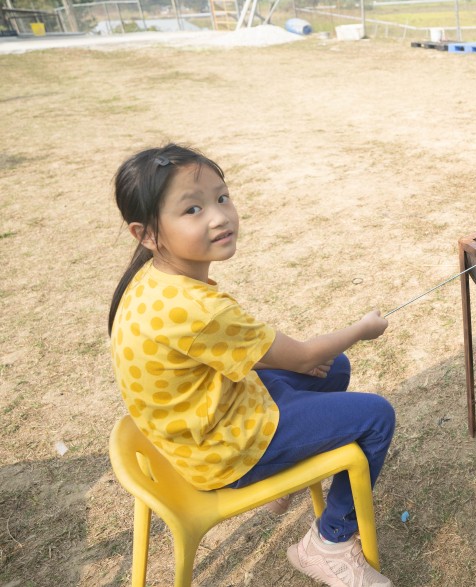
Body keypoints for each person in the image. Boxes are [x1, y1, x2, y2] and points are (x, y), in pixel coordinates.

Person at [107, 143, 395, 587]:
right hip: (224, 451)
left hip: (199, 425)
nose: (219, 217)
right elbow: (300, 356)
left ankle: (282, 489)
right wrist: (361, 328)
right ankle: (330, 542)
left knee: (333, 367)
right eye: (193, 209)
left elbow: (293, 359)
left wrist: (319, 357)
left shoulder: (153, 281)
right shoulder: (195, 308)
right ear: (146, 234)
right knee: (376, 416)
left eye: (222, 198)